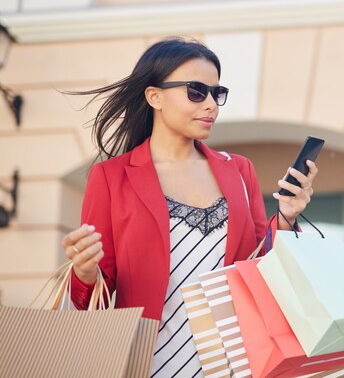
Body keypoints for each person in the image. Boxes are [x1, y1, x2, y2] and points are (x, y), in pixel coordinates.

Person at [59, 37, 318, 377]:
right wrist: (84, 271)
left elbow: (262, 268)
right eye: (196, 91)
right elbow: (93, 301)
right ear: (154, 97)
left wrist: (286, 216)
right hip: (150, 363)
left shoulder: (239, 170)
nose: (211, 104)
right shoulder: (110, 178)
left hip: (238, 361)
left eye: (216, 93)